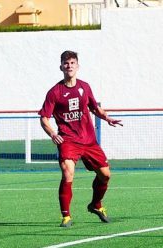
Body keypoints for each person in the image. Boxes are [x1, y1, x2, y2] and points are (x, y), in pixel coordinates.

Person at [38, 50, 123, 228]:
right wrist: (53, 133)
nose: (69, 66)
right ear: (61, 66)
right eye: (66, 63)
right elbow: (44, 117)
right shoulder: (55, 92)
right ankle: (66, 216)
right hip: (68, 140)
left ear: (78, 66)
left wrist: (107, 117)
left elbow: (95, 107)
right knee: (67, 172)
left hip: (89, 140)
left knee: (105, 175)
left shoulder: (85, 87)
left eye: (72, 63)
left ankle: (96, 205)